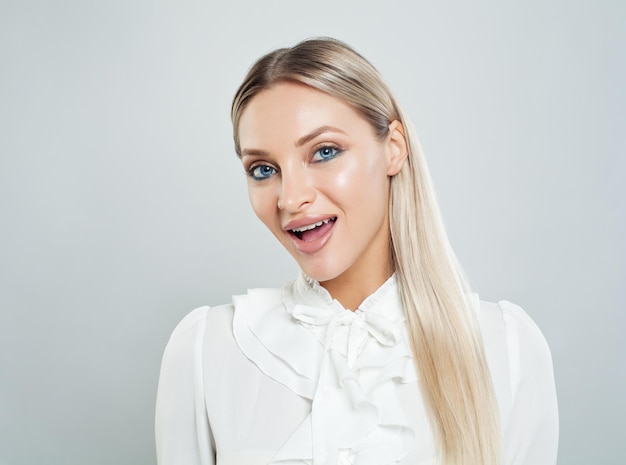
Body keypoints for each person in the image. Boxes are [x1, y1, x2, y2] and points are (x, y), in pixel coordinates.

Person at [155, 37, 558, 465]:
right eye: (263, 169)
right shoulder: (206, 350)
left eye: (324, 152)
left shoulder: (507, 348)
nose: (290, 199)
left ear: (394, 148)